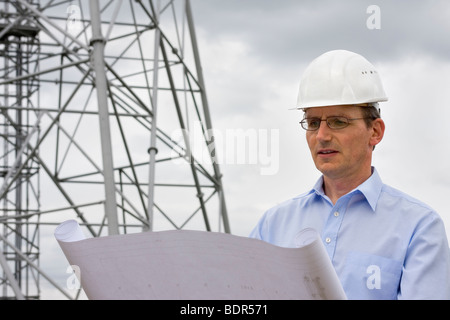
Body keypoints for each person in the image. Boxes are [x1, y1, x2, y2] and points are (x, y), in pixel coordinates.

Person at [249, 49, 450, 300]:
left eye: (338, 121)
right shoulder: (272, 225)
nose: (321, 135)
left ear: (375, 131)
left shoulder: (419, 228)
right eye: (313, 123)